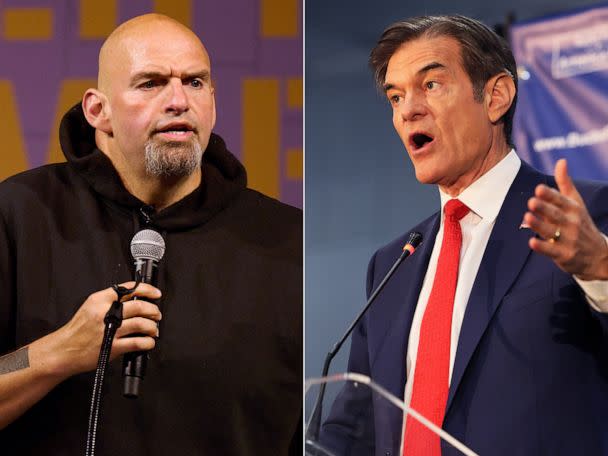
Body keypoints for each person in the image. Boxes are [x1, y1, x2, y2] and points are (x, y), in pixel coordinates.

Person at [0, 14, 301, 455]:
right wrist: (57, 354)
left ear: (214, 102)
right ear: (97, 110)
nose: (178, 100)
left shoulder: (287, 240)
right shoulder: (19, 213)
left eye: (195, 82)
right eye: (151, 83)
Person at [320, 15, 608, 456]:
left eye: (430, 85)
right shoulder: (392, 263)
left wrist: (600, 269)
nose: (407, 109)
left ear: (496, 97)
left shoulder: (583, 215)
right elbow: (357, 425)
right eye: (395, 97)